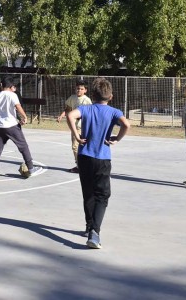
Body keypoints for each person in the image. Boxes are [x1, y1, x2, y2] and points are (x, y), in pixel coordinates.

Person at [66, 77, 130, 249]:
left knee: (88, 193)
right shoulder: (114, 112)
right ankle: (94, 232)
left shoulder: (86, 109)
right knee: (102, 195)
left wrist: (77, 135)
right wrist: (117, 138)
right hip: (102, 158)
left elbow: (70, 116)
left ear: (92, 95)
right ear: (111, 96)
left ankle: (89, 226)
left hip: (85, 156)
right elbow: (126, 125)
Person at [0, 76, 42, 179]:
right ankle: (31, 168)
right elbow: (18, 107)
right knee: (23, 146)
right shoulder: (12, 95)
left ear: (2, 85)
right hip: (11, 125)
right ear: (11, 86)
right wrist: (24, 116)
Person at [56, 79, 92, 173]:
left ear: (85, 90)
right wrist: (61, 115)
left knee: (82, 146)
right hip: (74, 127)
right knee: (75, 147)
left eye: (81, 89)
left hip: (83, 127)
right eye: (77, 88)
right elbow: (68, 109)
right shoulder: (72, 98)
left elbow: (90, 114)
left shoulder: (87, 100)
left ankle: (83, 166)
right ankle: (79, 165)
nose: (79, 90)